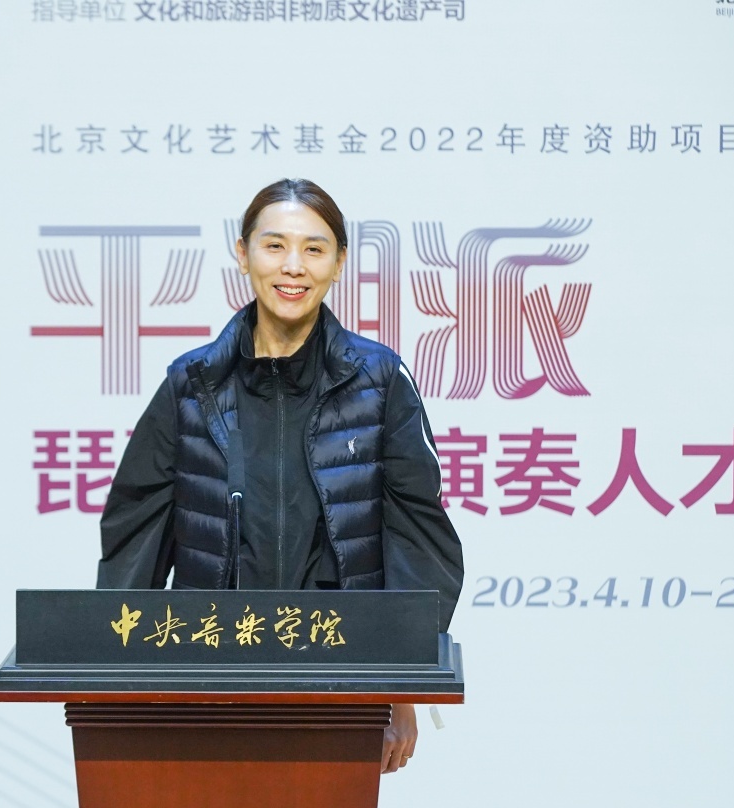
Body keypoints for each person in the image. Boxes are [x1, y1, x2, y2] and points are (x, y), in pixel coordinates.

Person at [97, 178, 463, 774]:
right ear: (243, 254)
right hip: (209, 670)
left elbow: (419, 540)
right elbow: (135, 535)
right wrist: (115, 685)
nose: (293, 266)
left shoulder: (379, 382)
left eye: (314, 249)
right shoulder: (192, 384)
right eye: (275, 246)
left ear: (339, 264)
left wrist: (400, 687)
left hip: (341, 675)